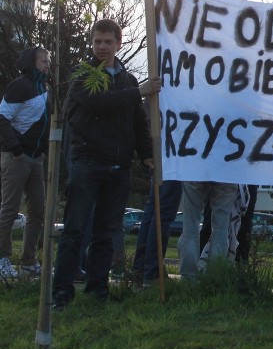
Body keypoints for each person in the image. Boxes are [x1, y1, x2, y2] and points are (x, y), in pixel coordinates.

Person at [53, 19, 161, 310]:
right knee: (75, 230)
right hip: (87, 162)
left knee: (105, 233)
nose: (101, 47)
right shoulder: (82, 75)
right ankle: (61, 291)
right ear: (91, 43)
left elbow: (138, 122)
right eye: (97, 41)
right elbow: (98, 102)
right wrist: (140, 91)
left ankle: (97, 289)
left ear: (118, 43)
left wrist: (147, 155)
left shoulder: (126, 80)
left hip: (118, 167)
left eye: (107, 42)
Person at [0, 47, 51, 279]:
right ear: (32, 62)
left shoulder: (45, 87)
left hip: (36, 159)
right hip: (16, 157)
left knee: (38, 210)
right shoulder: (20, 85)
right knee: (10, 209)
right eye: (43, 60)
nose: (48, 63)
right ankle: (2, 258)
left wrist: (41, 152)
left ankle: (29, 260)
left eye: (49, 60)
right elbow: (2, 117)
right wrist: (17, 150)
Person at [178, 181, 239, 279]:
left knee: (190, 228)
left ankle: (188, 279)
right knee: (221, 231)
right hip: (227, 171)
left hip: (195, 169)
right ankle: (214, 279)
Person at [131, 180, 183, 285]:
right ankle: (152, 274)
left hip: (159, 167)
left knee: (154, 206)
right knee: (163, 210)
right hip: (173, 168)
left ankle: (140, 269)